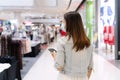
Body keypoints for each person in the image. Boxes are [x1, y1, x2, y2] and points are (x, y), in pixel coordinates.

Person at [51, 11, 93, 80]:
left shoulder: (62, 42)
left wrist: (54, 55)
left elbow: (59, 66)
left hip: (65, 77)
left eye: (64, 22)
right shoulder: (88, 43)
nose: (62, 25)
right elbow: (90, 68)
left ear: (69, 24)